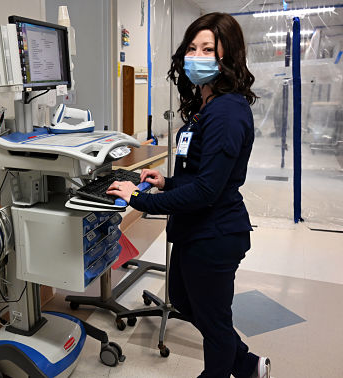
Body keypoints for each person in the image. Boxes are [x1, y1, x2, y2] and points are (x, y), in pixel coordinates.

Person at [107, 12, 271, 378]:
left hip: (215, 235)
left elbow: (206, 191)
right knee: (183, 300)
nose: (196, 56)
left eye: (208, 48)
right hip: (193, 231)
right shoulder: (206, 107)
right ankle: (246, 365)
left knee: (214, 325)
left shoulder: (227, 113)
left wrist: (139, 198)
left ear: (228, 56)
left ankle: (231, 369)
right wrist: (165, 183)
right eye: (192, 48)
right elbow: (197, 174)